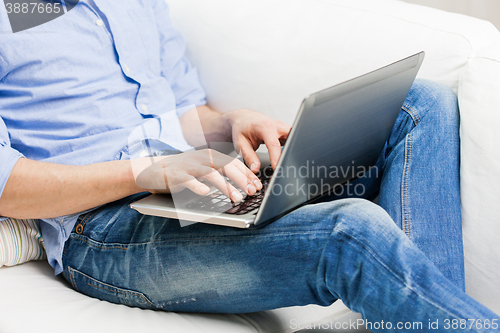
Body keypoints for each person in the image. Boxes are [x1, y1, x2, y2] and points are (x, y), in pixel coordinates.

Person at [0, 1, 499, 331]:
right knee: (350, 231)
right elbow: (8, 187)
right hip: (104, 230)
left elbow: (181, 111)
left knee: (420, 103)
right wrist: (144, 172)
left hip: (203, 183)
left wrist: (231, 122)